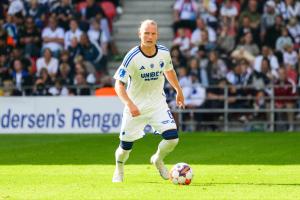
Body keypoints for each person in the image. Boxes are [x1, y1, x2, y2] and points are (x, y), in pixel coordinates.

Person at [112, 19, 185, 182]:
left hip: (157, 105)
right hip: (135, 107)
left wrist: (178, 90)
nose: (149, 36)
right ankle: (119, 169)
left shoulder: (164, 53)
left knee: (173, 138)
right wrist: (129, 104)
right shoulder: (132, 57)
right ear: (140, 34)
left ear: (157, 35)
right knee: (125, 149)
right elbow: (118, 84)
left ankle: (158, 159)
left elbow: (169, 70)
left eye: (153, 33)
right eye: (146, 33)